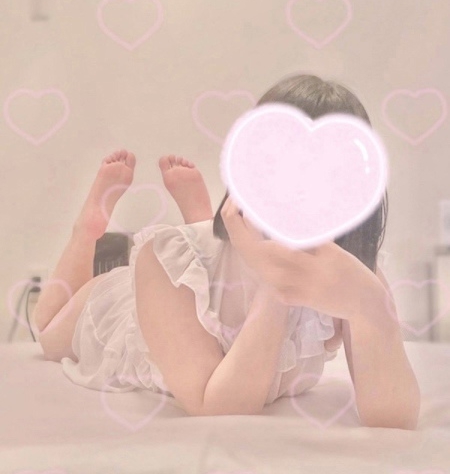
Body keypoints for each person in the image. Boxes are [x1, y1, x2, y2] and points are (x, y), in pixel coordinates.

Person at [34, 74, 420, 429]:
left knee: (210, 278)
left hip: (205, 281)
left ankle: (200, 221)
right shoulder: (161, 260)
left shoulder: (350, 272)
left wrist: (372, 306)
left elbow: (393, 417)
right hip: (126, 310)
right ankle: (87, 231)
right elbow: (218, 407)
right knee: (48, 332)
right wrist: (276, 282)